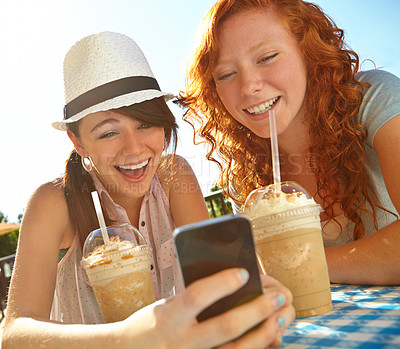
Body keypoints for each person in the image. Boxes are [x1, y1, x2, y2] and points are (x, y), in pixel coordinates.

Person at [2, 31, 294, 348]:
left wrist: (251, 295)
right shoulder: (54, 202)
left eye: (144, 124)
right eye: (108, 132)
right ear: (78, 142)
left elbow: (214, 278)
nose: (134, 148)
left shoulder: (173, 176)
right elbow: (15, 333)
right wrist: (127, 339)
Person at [178, 0, 400, 286]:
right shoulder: (243, 178)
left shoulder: (374, 100)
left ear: (307, 51)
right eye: (226, 74)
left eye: (267, 57)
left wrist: (296, 267)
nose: (248, 86)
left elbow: (274, 274)